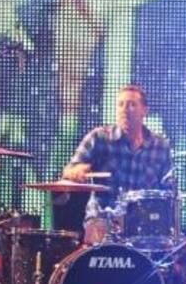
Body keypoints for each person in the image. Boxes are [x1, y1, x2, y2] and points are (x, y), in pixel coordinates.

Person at [62, 85, 173, 243]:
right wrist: (76, 171)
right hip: (102, 220)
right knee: (98, 236)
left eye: (131, 104)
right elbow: (69, 170)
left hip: (144, 223)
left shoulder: (160, 146)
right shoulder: (99, 138)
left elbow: (168, 190)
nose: (125, 110)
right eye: (120, 104)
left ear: (145, 110)